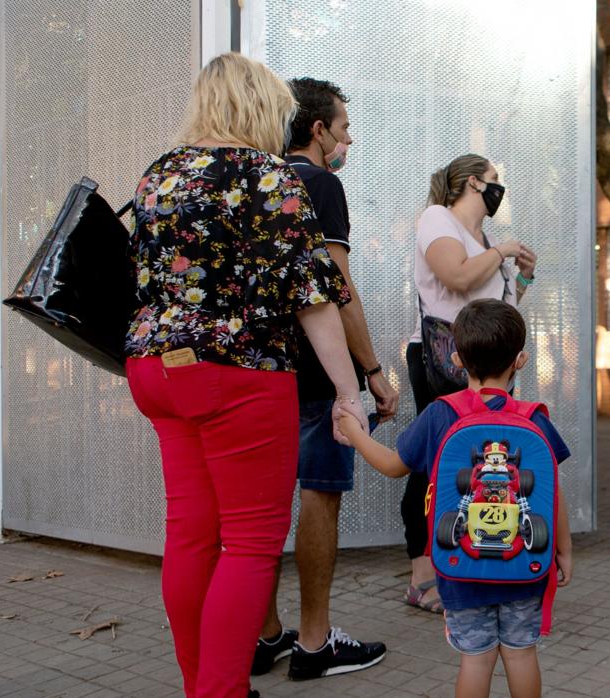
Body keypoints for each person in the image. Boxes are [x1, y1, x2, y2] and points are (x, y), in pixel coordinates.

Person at [124, 53, 367, 698]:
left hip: (156, 369)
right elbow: (315, 297)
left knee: (191, 533)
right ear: (261, 108)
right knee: (252, 542)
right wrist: (350, 392)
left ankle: (201, 683)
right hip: (236, 371)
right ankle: (221, 691)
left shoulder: (159, 174)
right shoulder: (267, 175)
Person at [340, 299, 572, 698]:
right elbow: (551, 489)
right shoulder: (534, 418)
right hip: (525, 568)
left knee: (476, 659)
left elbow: (395, 465)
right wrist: (563, 549)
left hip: (462, 568)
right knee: (521, 654)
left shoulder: (440, 414)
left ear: (458, 359)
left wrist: (356, 433)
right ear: (521, 360)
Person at [250, 77, 395, 681]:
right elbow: (336, 290)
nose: (348, 138)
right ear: (318, 130)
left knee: (254, 509)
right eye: (343, 127)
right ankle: (314, 644)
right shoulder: (320, 183)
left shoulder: (256, 182)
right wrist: (372, 373)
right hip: (315, 371)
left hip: (256, 371)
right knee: (319, 493)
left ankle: (263, 637)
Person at [402, 154, 538, 613]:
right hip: (443, 357)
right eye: (495, 181)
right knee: (432, 459)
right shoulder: (438, 218)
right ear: (474, 183)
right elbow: (456, 277)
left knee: (477, 460)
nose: (500, 189)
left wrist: (521, 276)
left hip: (484, 362)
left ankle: (465, 562)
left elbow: (495, 305)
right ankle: (422, 574)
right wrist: (499, 254)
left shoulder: (485, 239)